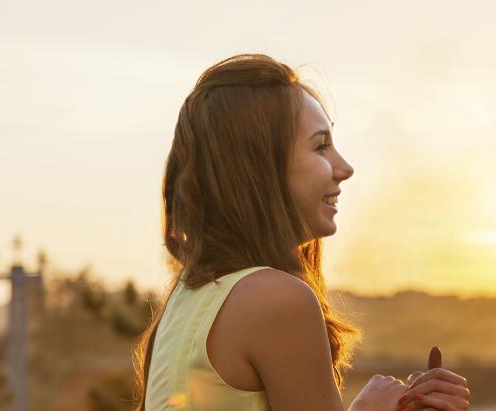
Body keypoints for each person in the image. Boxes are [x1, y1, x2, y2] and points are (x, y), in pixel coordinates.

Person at [133, 54, 470, 411]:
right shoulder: (276, 299)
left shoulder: (188, 298)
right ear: (260, 164)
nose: (345, 168)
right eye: (320, 145)